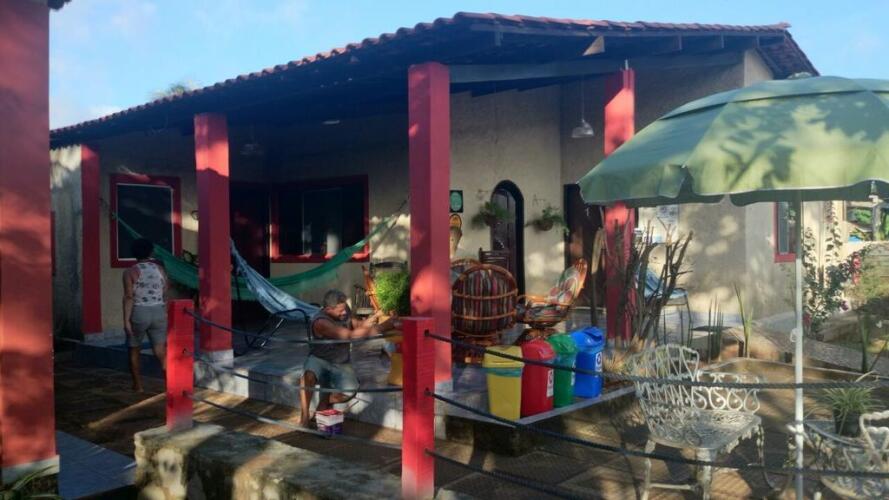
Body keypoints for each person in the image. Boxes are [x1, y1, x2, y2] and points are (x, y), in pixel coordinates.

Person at [299, 289, 399, 427]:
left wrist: (375, 317)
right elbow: (350, 335)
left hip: (341, 362)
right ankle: (304, 416)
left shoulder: (345, 309)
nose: (344, 312)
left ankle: (322, 405)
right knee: (308, 376)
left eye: (344, 309)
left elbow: (356, 325)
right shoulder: (320, 321)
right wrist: (383, 327)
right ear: (328, 310)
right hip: (319, 359)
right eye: (340, 311)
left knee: (350, 393)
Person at [122, 238, 169, 392]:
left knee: (134, 348)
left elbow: (129, 296)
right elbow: (165, 291)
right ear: (151, 252)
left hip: (139, 313)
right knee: (160, 350)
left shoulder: (129, 272)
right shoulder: (160, 270)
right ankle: (170, 384)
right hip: (158, 312)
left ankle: (138, 385)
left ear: (133, 253)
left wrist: (126, 320)